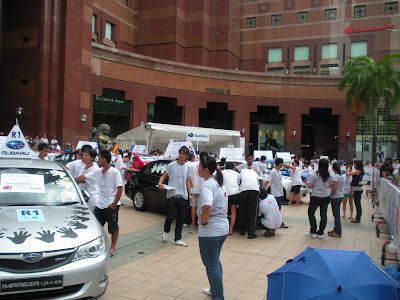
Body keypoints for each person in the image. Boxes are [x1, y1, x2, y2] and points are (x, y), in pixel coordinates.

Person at [78, 150, 123, 257]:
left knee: (113, 227)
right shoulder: (98, 172)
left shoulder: (114, 172)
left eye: (99, 158)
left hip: (111, 205)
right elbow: (84, 177)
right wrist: (70, 180)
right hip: (100, 205)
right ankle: (97, 246)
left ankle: (112, 247)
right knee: (96, 227)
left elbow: (120, 189)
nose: (98, 160)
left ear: (104, 159)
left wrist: (113, 204)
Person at [197, 155, 228, 299]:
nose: (197, 168)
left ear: (205, 170)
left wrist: (203, 221)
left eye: (199, 166)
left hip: (211, 231)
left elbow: (207, 206)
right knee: (214, 261)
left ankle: (219, 296)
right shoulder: (219, 181)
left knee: (211, 264)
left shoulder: (208, 184)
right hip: (222, 228)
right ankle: (214, 289)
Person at [158, 146, 193, 246]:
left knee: (181, 218)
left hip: (183, 194)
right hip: (172, 194)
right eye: (180, 153)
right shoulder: (172, 165)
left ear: (186, 156)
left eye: (183, 154)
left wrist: (190, 193)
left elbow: (188, 181)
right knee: (170, 216)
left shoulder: (188, 167)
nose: (181, 156)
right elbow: (164, 175)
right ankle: (166, 231)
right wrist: (160, 183)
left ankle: (178, 238)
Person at [305, 158, 333, 239]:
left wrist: (316, 187)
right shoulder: (329, 176)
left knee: (311, 212)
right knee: (323, 214)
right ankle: (320, 233)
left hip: (316, 196)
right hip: (325, 196)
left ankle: (313, 231)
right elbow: (330, 185)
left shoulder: (314, 174)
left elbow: (310, 185)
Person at [261, 158, 288, 228]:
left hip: (279, 193)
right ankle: (280, 223)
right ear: (280, 164)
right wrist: (262, 189)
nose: (283, 165)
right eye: (282, 163)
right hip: (275, 194)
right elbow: (267, 181)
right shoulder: (273, 172)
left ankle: (279, 222)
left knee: (278, 209)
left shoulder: (279, 171)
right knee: (276, 209)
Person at [238, 166, 260, 239]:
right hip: (254, 190)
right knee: (253, 211)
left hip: (243, 191)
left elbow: (239, 181)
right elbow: (257, 182)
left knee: (242, 210)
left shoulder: (242, 171)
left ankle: (242, 230)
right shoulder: (255, 173)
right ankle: (251, 233)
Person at [189, 152, 207, 229]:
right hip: (202, 189)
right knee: (201, 208)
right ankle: (199, 224)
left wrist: (190, 182)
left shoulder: (192, 165)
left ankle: (193, 224)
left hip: (193, 189)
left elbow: (187, 175)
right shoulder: (205, 166)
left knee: (193, 207)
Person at [222, 162, 240, 235]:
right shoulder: (237, 173)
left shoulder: (222, 173)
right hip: (235, 193)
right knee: (233, 212)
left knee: (224, 212)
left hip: (225, 193)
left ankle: (223, 228)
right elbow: (238, 183)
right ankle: (231, 229)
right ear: (233, 168)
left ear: (225, 167)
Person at [328, 162, 344, 237]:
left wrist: (329, 194)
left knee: (336, 215)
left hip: (335, 197)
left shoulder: (335, 177)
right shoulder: (340, 176)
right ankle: (336, 229)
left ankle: (338, 231)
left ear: (333, 168)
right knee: (336, 214)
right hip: (340, 196)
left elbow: (334, 188)